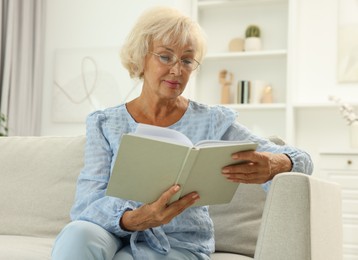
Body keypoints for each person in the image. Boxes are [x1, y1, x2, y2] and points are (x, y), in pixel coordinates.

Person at [52, 6, 313, 260]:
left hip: (179, 244)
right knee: (78, 234)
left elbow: (303, 159)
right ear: (141, 56)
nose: (177, 70)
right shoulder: (105, 123)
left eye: (187, 60)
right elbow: (85, 205)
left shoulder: (213, 121)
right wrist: (133, 219)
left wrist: (278, 163)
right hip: (114, 233)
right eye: (165, 57)